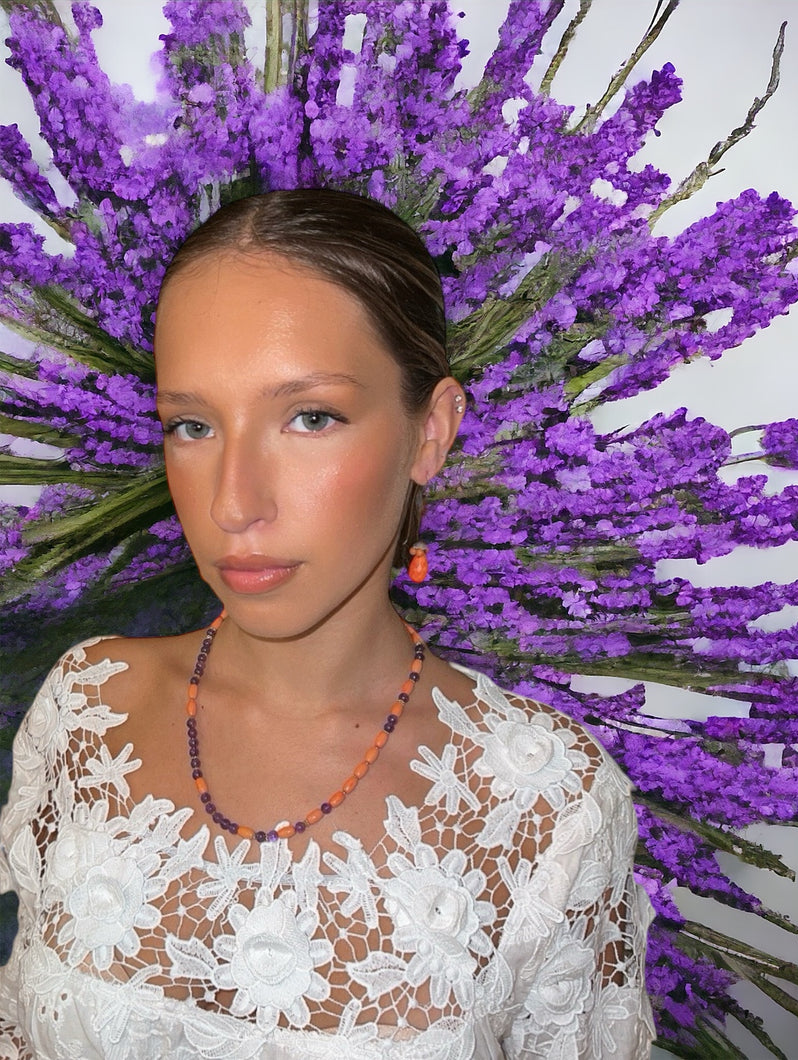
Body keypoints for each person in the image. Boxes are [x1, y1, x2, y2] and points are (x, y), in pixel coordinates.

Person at [0, 190, 654, 1058]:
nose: (234, 504)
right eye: (192, 425)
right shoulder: (88, 708)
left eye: (310, 417)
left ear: (432, 431)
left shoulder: (548, 808)